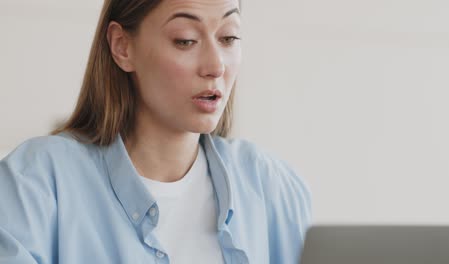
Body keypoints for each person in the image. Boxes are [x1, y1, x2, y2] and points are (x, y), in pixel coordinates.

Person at [0, 0, 312, 263]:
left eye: (228, 38)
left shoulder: (273, 186)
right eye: (186, 40)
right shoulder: (34, 182)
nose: (216, 65)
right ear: (122, 47)